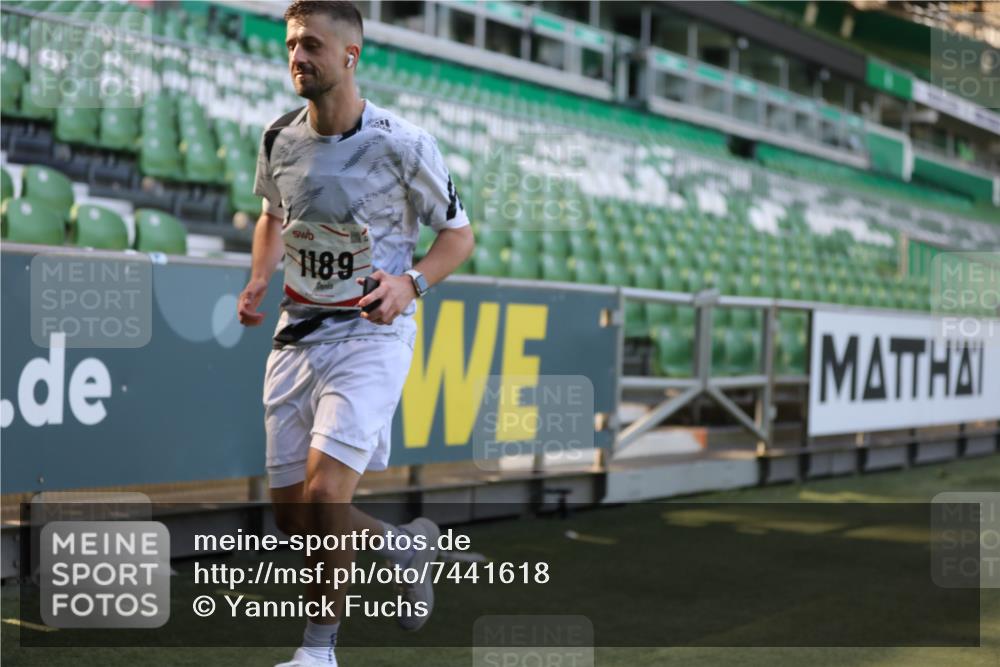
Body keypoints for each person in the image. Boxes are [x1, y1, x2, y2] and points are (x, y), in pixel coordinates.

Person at [237, 2, 475, 665]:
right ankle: (402, 545)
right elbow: (272, 215)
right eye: (291, 44)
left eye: (311, 44)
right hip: (296, 335)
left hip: (372, 337)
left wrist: (410, 284)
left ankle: (318, 652)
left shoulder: (404, 143)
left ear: (350, 55)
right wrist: (259, 276)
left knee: (324, 495)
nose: (297, 56)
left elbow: (459, 236)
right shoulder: (278, 137)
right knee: (295, 517)